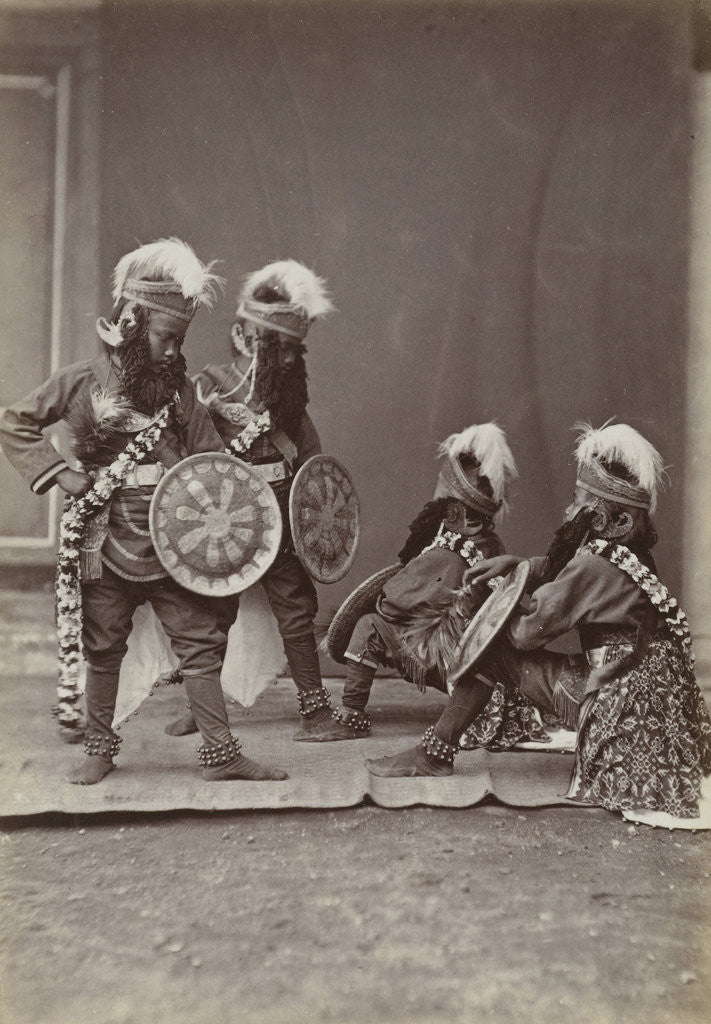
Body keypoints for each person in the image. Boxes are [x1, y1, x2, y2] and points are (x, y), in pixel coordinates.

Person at [0, 238, 287, 785]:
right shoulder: (80, 379)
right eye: (165, 338)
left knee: (199, 641)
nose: (175, 352)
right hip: (103, 539)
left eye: (180, 341)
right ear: (131, 324)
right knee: (103, 642)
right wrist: (62, 474)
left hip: (170, 541)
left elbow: (206, 463)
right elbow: (14, 422)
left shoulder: (179, 392)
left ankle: (222, 754)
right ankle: (100, 747)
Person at [368, 422, 711, 819]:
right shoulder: (625, 555)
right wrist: (523, 568)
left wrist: (500, 594)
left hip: (615, 698)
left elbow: (526, 633)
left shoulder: (592, 565)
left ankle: (434, 753)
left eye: (578, 501)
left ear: (603, 519)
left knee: (494, 652)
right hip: (649, 698)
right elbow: (562, 570)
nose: (568, 510)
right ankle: (439, 748)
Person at [163, 259, 336, 740]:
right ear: (243, 335)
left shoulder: (288, 397)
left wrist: (310, 513)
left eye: (290, 350)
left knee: (296, 609)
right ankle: (203, 709)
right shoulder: (211, 384)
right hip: (227, 512)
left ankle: (316, 714)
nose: (283, 359)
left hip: (281, 507)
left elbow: (311, 457)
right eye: (275, 346)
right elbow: (187, 448)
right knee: (214, 611)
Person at [311, 422, 538, 743]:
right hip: (478, 660)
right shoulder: (491, 545)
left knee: (369, 625)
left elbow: (392, 602)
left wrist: (381, 601)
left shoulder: (452, 552)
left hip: (451, 660)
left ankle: (351, 714)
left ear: (455, 511)